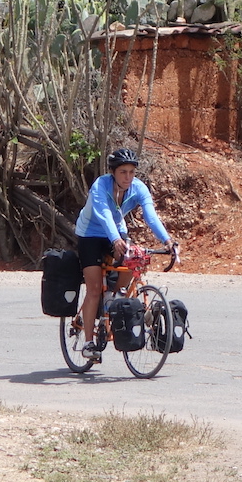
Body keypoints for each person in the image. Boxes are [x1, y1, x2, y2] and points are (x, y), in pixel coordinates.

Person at [73, 148, 175, 361]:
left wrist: (168, 241)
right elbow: (105, 216)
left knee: (134, 257)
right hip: (90, 234)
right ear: (113, 172)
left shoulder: (138, 188)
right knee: (93, 289)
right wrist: (116, 239)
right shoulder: (100, 186)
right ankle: (89, 343)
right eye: (123, 172)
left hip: (116, 232)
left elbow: (151, 217)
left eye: (131, 172)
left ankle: (115, 296)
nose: (128, 177)